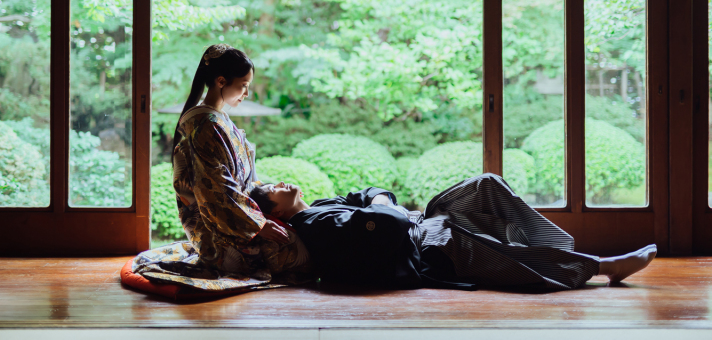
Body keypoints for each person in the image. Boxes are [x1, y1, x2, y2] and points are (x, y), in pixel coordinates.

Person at [249, 173, 658, 291]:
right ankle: (602, 267)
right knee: (498, 254)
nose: (282, 184)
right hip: (425, 250)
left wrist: (380, 203)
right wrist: (381, 206)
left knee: (485, 184)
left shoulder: (322, 206)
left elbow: (374, 192)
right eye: (273, 191)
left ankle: (558, 245)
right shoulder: (316, 225)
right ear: (278, 215)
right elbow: (386, 218)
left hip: (422, 224)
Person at [170, 43, 309, 277]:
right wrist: (258, 225)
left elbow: (239, 179)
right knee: (297, 252)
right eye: (243, 86)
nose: (246, 93)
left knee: (301, 232)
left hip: (235, 212)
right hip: (215, 225)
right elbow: (215, 189)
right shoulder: (206, 124)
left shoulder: (216, 119)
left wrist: (270, 192)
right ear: (221, 81)